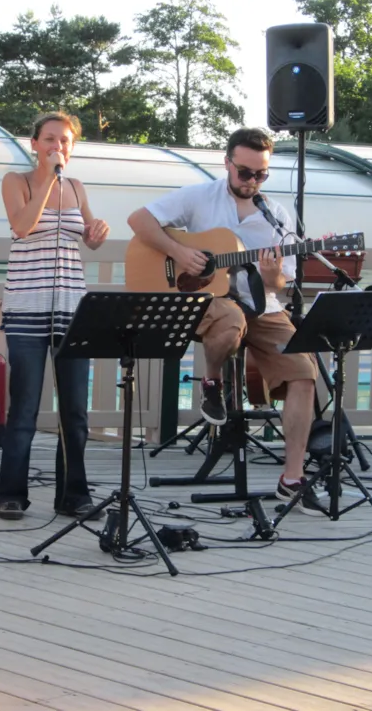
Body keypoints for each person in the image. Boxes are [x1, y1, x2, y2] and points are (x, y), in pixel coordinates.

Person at [127, 127, 322, 514]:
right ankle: (212, 380)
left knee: (304, 372)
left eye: (261, 175)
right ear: (228, 163)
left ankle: (292, 478)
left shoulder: (276, 216)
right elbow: (139, 220)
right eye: (244, 172)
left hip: (262, 307)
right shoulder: (199, 196)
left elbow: (282, 281)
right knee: (231, 318)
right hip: (207, 302)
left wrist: (272, 277)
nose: (251, 181)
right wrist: (179, 253)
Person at [0, 112, 110, 521]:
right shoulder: (17, 182)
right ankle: (10, 494)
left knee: (75, 409)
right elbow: (22, 227)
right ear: (35, 144)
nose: (59, 146)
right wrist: (48, 179)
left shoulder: (76, 187)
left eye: (66, 141)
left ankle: (73, 494)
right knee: (24, 405)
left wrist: (96, 233)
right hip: (26, 307)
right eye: (51, 139)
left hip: (72, 309)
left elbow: (88, 239)